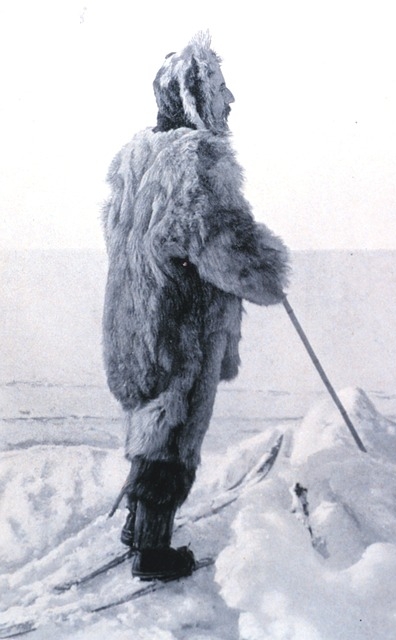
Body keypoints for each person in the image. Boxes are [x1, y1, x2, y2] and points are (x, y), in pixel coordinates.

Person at [102, 32, 290, 581]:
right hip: (181, 325)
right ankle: (153, 551)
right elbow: (216, 241)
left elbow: (138, 237)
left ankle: (140, 526)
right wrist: (265, 269)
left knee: (150, 422)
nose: (230, 101)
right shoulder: (199, 159)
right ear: (196, 96)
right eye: (222, 90)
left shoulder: (133, 159)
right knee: (176, 430)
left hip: (134, 321)